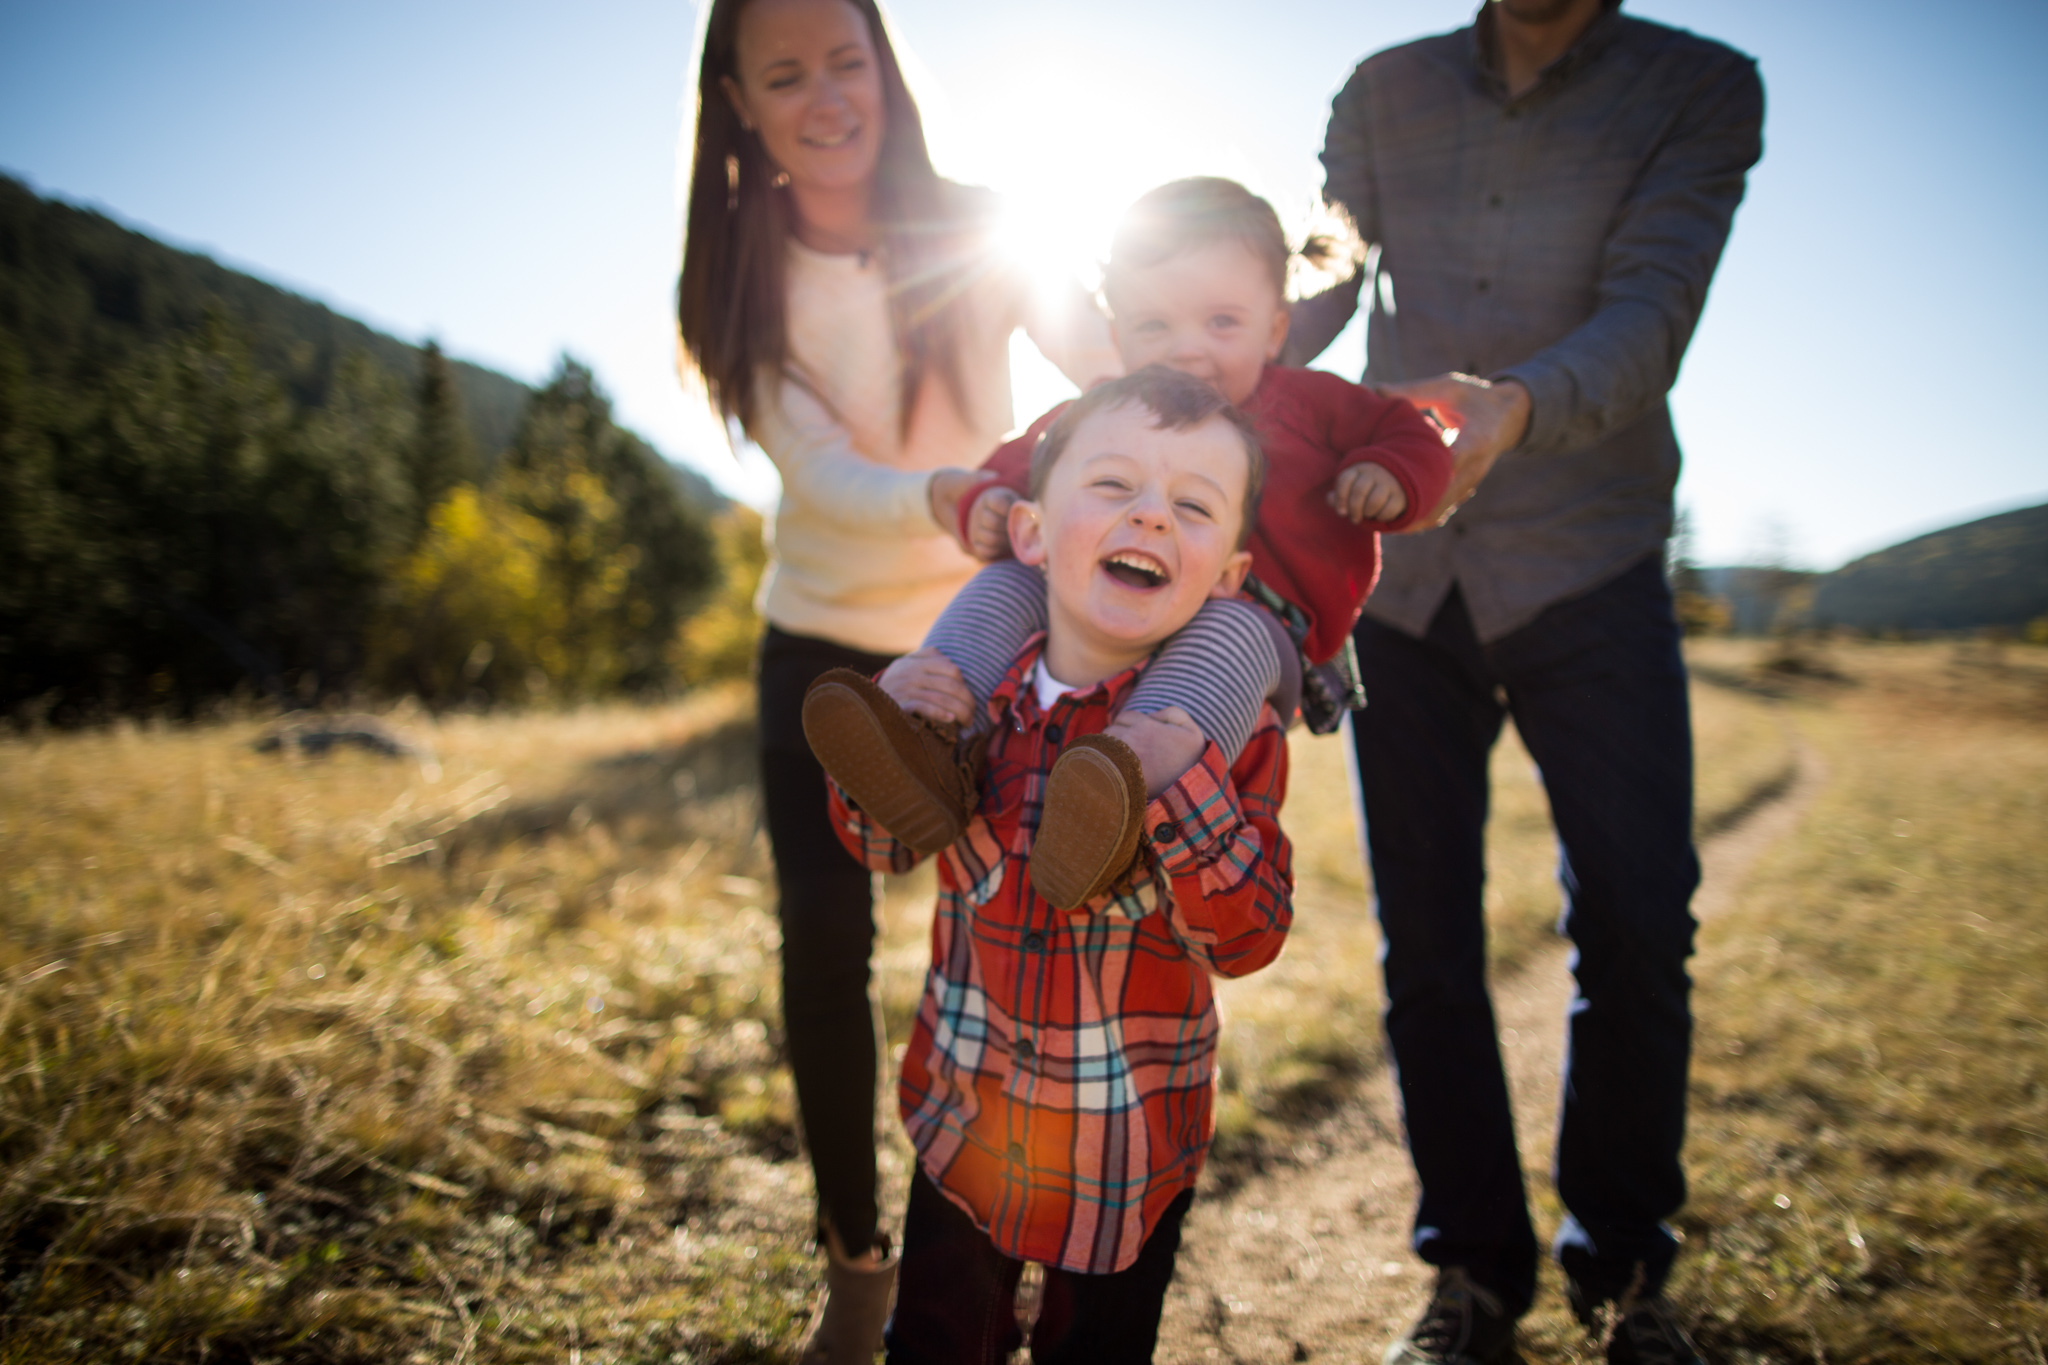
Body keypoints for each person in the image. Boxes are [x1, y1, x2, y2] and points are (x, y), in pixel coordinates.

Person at [1283, 2, 1765, 1361]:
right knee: (1424, 939)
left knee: (1633, 917)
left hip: (1588, 563)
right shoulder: (1382, 89)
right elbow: (1326, 262)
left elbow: (1651, 308)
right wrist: (1218, 344)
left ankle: (1626, 1273)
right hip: (1399, 574)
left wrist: (1512, 407)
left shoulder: (1703, 88)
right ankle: (1475, 1278)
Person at [674, 0, 1118, 1358]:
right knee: (824, 946)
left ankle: (1005, 1245)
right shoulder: (732, 275)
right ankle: (858, 1260)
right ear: (740, 101)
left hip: (979, 640)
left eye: (847, 58)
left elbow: (1110, 370)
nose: (825, 94)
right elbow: (822, 474)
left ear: (887, 70)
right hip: (818, 641)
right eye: (786, 71)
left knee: (1006, 955)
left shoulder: (979, 225)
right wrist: (959, 493)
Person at [808, 366, 1295, 1365]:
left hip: (1126, 1140)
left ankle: (1114, 806)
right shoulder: (974, 692)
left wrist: (1181, 786)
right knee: (937, 1346)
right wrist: (900, 716)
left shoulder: (1228, 733)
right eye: (1113, 487)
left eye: (1191, 506)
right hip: (966, 1121)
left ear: (1228, 578)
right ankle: (914, 748)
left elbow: (1247, 936)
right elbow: (879, 845)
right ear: (1029, 534)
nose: (1152, 518)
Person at [803, 178, 1450, 911]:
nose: (1187, 350)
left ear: (1275, 328)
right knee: (1011, 578)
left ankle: (1127, 795)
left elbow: (1410, 432)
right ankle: (932, 732)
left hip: (1261, 618)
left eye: (1222, 322)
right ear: (1115, 333)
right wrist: (987, 504)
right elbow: (1010, 469)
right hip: (1113, 602)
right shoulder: (1100, 412)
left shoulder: (1313, 403)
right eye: (1154, 326)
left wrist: (1388, 472)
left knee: (1228, 629)